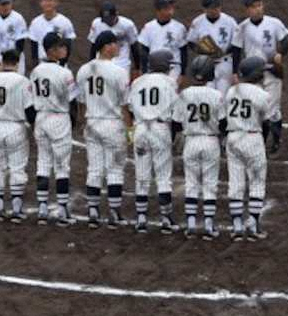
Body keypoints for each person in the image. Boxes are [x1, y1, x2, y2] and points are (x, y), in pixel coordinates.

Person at [76, 31, 131, 229]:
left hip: (92, 123)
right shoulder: (118, 72)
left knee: (95, 168)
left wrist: (85, 122)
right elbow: (125, 104)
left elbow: (81, 102)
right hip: (112, 124)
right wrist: (130, 128)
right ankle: (114, 213)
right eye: (114, 44)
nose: (117, 47)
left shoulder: (83, 70)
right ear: (105, 46)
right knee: (115, 169)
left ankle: (93, 211)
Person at [172, 55, 225, 240]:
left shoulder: (184, 94)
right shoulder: (217, 95)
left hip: (191, 141)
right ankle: (209, 226)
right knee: (210, 184)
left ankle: (191, 225)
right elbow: (224, 123)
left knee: (192, 184)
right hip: (211, 141)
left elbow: (176, 124)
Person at [30, 33, 79, 226]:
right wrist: (72, 124)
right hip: (59, 118)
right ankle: (63, 209)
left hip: (41, 117)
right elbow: (72, 101)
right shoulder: (64, 73)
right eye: (60, 47)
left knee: (43, 162)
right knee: (61, 166)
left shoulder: (35, 71)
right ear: (51, 50)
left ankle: (42, 207)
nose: (64, 49)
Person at [0, 49, 36, 223]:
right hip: (16, 128)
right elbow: (29, 111)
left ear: (2, 62)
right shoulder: (22, 81)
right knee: (17, 168)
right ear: (17, 63)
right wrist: (34, 126)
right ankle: (17, 210)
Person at [128, 50, 179, 234]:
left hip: (140, 129)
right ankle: (166, 218)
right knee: (163, 176)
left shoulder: (137, 82)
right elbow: (176, 109)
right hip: (160, 130)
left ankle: (141, 218)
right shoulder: (169, 83)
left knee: (142, 175)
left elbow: (131, 107)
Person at [232, 0, 288, 154]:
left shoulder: (274, 23)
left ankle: (275, 142)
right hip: (251, 74)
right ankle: (261, 142)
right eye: (254, 6)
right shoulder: (242, 27)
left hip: (272, 70)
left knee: (272, 110)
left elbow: (285, 41)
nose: (258, 9)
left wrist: (280, 53)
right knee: (257, 108)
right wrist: (234, 73)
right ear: (247, 10)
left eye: (260, 5)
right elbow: (236, 50)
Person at [224, 56, 272, 241]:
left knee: (236, 182)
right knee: (257, 182)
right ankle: (253, 224)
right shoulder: (262, 95)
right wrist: (264, 141)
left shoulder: (230, 92)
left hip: (233, 137)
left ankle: (236, 226)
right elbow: (267, 123)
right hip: (253, 137)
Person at [188, 0, 239, 96]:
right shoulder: (197, 22)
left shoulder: (230, 21)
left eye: (217, 7)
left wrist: (223, 52)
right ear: (204, 9)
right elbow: (191, 42)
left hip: (225, 62)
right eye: (211, 8)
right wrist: (203, 51)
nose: (215, 10)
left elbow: (237, 44)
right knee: (207, 94)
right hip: (205, 64)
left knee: (223, 95)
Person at [138, 0, 188, 80]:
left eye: (171, 8)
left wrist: (183, 73)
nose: (170, 12)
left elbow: (183, 51)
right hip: (153, 67)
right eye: (167, 9)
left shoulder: (179, 27)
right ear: (158, 11)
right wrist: (144, 70)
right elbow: (144, 50)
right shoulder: (148, 27)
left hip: (173, 67)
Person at [29, 0, 76, 69]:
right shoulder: (35, 22)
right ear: (40, 3)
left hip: (59, 63)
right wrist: (35, 66)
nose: (48, 3)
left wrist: (62, 64)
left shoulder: (64, 21)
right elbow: (34, 46)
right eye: (45, 0)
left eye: (51, 0)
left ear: (57, 2)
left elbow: (68, 45)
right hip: (42, 63)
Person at [87, 1, 139, 72]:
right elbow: (93, 46)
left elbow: (134, 46)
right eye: (105, 19)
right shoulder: (96, 24)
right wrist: (91, 64)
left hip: (122, 62)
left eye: (110, 19)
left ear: (116, 14)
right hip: (101, 62)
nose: (108, 22)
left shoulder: (127, 25)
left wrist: (137, 67)